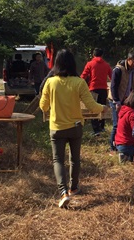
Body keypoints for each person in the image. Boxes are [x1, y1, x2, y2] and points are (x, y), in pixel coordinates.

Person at [40, 49, 107, 208]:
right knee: (75, 159)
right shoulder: (79, 82)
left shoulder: (51, 82)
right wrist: (102, 108)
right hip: (76, 127)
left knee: (58, 160)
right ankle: (74, 187)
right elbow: (91, 106)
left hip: (57, 128)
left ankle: (63, 192)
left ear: (56, 63)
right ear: (73, 63)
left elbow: (43, 106)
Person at [108, 50, 134, 153]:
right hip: (116, 100)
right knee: (116, 124)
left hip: (128, 101)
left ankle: (122, 144)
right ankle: (112, 146)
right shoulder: (118, 70)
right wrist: (117, 101)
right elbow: (113, 87)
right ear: (128, 59)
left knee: (125, 124)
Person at [80, 48, 112, 136]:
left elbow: (83, 76)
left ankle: (96, 130)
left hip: (93, 88)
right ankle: (102, 127)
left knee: (93, 108)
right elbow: (112, 77)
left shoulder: (90, 64)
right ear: (102, 55)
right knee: (103, 108)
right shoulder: (106, 65)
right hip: (103, 88)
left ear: (93, 55)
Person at [115, 90, 134, 163]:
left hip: (119, 142)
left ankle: (125, 155)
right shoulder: (132, 114)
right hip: (127, 144)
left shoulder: (124, 109)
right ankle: (127, 156)